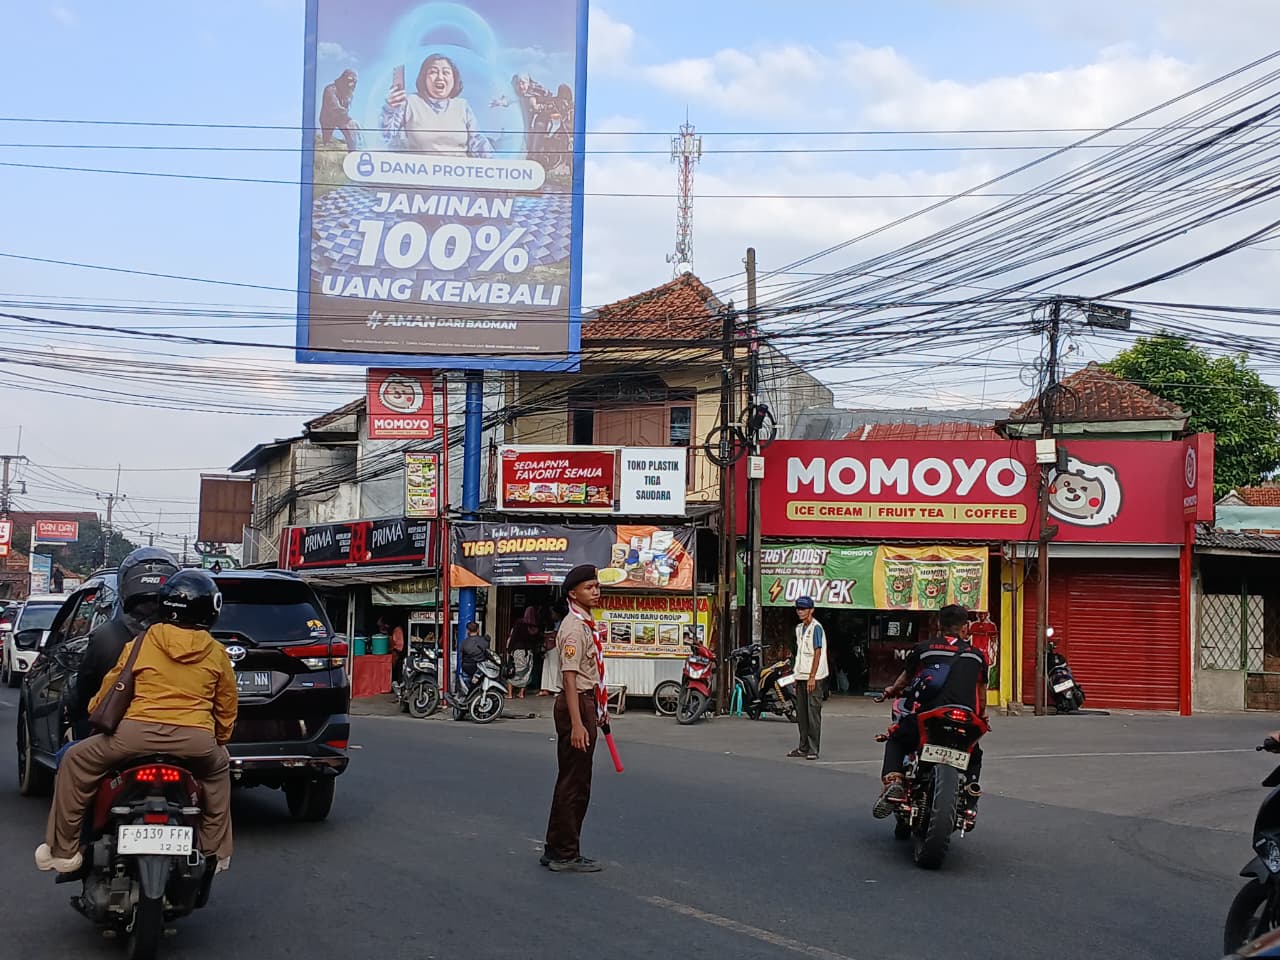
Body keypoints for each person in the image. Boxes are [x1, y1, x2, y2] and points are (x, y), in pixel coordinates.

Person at [37, 570, 237, 874]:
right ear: (212, 609)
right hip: (196, 741)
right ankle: (214, 851)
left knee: (75, 761)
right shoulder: (217, 653)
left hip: (132, 738)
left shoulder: (143, 642)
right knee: (219, 769)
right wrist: (219, 739)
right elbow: (226, 707)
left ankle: (65, 852)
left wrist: (94, 710)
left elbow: (111, 687)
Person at [873, 603, 988, 820]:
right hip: (966, 719)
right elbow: (981, 695)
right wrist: (981, 716)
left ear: (938, 625)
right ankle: (970, 801)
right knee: (975, 754)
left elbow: (905, 678)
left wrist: (891, 690)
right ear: (965, 628)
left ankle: (894, 781)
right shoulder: (977, 656)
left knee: (896, 738)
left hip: (931, 716)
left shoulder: (925, 648)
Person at [71, 546, 180, 740]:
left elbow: (87, 692)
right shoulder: (204, 644)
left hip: (123, 735)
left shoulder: (106, 637)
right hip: (187, 737)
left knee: (70, 758)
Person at [542, 565, 606, 872]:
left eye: (596, 586)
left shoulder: (585, 623)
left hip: (585, 702)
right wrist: (579, 724)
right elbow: (570, 678)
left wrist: (599, 715)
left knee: (575, 780)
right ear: (573, 593)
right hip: (575, 704)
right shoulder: (573, 628)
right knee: (574, 782)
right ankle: (564, 852)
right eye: (589, 587)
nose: (596, 591)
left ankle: (560, 847)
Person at [381, 54, 492, 157]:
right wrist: (390, 108)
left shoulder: (462, 106)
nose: (440, 77)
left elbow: (478, 143)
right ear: (424, 78)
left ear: (454, 79)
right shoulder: (410, 102)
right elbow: (386, 135)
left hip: (458, 173)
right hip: (420, 173)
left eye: (446, 72)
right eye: (433, 72)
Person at [787, 597, 828, 760]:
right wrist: (797, 675)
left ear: (811, 610)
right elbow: (799, 655)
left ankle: (813, 749)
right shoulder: (799, 628)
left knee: (813, 713)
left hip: (815, 676)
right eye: (798, 609)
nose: (800, 611)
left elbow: (817, 653)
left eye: (803, 609)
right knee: (802, 714)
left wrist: (812, 677)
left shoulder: (816, 627)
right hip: (801, 674)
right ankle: (803, 746)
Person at [320, 69, 359, 150]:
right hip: (328, 118)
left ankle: (354, 151)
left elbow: (346, 109)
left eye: (354, 81)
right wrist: (348, 119)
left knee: (353, 129)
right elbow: (335, 108)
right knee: (326, 143)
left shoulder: (349, 93)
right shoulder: (330, 89)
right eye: (350, 80)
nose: (352, 84)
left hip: (341, 118)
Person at [504, 606, 539, 699]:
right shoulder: (534, 626)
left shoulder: (519, 623)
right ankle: (521, 693)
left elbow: (514, 637)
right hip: (528, 652)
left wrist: (509, 650)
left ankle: (510, 694)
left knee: (512, 671)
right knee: (526, 672)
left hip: (517, 650)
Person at [459, 621, 491, 689]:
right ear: (478, 630)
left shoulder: (464, 643)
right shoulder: (484, 641)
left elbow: (461, 656)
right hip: (481, 668)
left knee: (466, 687)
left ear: (468, 631)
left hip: (467, 667)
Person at [380, 615, 406, 694]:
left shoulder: (397, 630)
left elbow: (399, 646)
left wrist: (393, 650)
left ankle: (398, 689)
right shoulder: (394, 630)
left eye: (385, 625)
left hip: (398, 654)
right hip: (396, 653)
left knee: (397, 672)